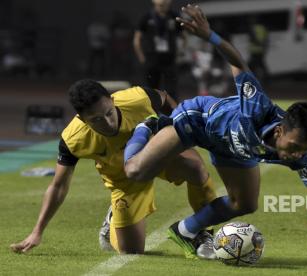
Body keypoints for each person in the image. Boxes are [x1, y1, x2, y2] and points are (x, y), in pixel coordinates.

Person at [123, 4, 307, 258]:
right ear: (280, 131)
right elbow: (238, 63)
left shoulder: (303, 153)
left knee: (245, 203)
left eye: (306, 149)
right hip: (197, 123)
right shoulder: (257, 107)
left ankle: (184, 231)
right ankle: (147, 126)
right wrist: (210, 36)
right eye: (294, 147)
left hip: (233, 149)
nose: (298, 154)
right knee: (135, 171)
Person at [10, 80, 217, 257]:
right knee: (131, 251)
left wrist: (180, 128)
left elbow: (163, 97)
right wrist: (37, 231)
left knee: (195, 167)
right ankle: (111, 225)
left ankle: (202, 233)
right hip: (125, 181)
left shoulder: (138, 98)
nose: (108, 122)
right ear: (82, 119)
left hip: (155, 155)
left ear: (112, 100)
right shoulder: (73, 139)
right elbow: (58, 186)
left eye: (109, 112)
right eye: (96, 120)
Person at [133, 0, 186, 101]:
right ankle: (152, 113)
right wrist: (142, 57)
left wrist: (180, 53)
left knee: (172, 90)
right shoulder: (147, 17)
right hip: (152, 58)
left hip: (169, 58)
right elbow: (137, 39)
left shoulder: (175, 16)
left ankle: (173, 113)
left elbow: (184, 37)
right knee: (151, 89)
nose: (162, 2)